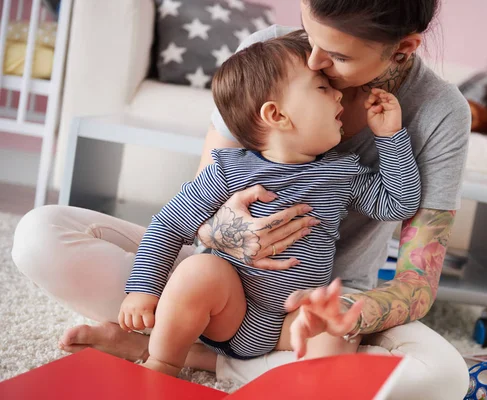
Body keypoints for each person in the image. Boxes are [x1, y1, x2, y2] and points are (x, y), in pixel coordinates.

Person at [12, 0, 471, 398]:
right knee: (40, 236)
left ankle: (192, 355)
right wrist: (199, 255)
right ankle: (168, 353)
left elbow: (400, 220)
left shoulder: (408, 130)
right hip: (222, 293)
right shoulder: (268, 64)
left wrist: (392, 140)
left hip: (320, 303)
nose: (312, 61)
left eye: (335, 55)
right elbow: (181, 220)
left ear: (402, 48)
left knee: (443, 377)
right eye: (307, 33)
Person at [126, 34, 421, 376]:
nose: (339, 93)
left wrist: (390, 138)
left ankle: (246, 371)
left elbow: (398, 204)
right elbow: (168, 225)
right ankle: (162, 362)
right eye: (322, 89)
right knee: (198, 271)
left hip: (293, 322)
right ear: (277, 114)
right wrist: (142, 291)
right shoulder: (229, 169)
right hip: (230, 313)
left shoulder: (341, 171)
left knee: (337, 324)